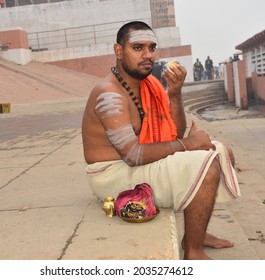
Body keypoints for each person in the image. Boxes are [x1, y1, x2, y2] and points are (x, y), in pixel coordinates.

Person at [81, 21, 240, 260]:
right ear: (118, 51)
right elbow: (133, 156)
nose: (147, 55)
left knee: (221, 151)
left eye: (151, 47)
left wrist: (174, 94)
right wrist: (189, 145)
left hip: (133, 166)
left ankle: (196, 234)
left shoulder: (149, 85)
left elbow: (173, 134)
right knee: (205, 164)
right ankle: (193, 252)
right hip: (112, 176)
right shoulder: (109, 94)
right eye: (138, 47)